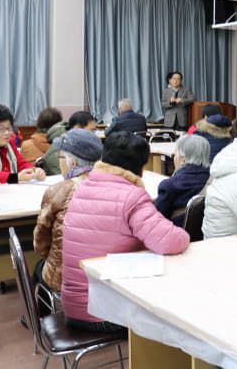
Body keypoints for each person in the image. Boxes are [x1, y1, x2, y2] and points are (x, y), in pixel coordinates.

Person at [61, 131, 190, 332]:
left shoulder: (82, 187)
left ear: (103, 159)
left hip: (74, 305)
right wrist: (185, 234)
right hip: (104, 312)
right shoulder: (131, 196)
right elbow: (171, 242)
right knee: (179, 314)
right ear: (141, 170)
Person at [32, 128, 103, 293]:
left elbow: (40, 244)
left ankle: (40, 317)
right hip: (105, 272)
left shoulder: (59, 191)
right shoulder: (115, 185)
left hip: (66, 275)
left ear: (74, 162)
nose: (59, 162)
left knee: (38, 269)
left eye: (61, 157)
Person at [0, 103, 46, 183]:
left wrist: (35, 170)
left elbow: (21, 163)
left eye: (9, 128)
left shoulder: (9, 143)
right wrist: (15, 177)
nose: (7, 133)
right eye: (1, 129)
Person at [154, 134, 211, 225]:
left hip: (177, 236)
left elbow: (154, 218)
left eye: (175, 154)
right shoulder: (215, 180)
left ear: (182, 159)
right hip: (207, 235)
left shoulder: (170, 186)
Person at [42, 111, 97, 176]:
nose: (94, 134)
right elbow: (64, 175)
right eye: (91, 130)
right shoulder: (60, 147)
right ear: (77, 128)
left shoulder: (85, 145)